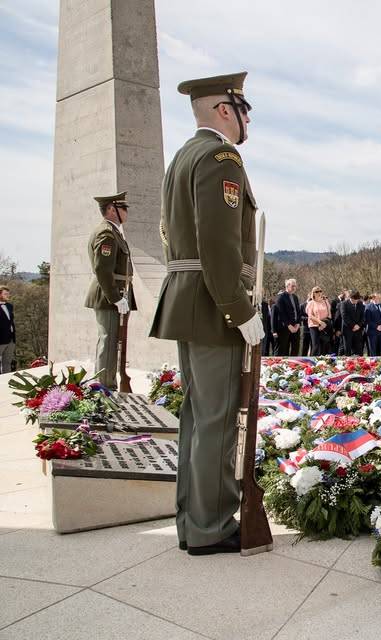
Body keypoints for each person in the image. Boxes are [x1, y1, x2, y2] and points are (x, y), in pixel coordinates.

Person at [149, 71, 265, 555]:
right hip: (214, 304)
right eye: (243, 110)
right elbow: (218, 245)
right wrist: (240, 309)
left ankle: (192, 521)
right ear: (224, 110)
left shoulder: (183, 156)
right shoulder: (221, 158)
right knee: (217, 419)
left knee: (198, 418)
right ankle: (212, 526)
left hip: (189, 299)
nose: (247, 120)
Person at [86, 192, 137, 390]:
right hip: (109, 295)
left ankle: (108, 383)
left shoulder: (113, 232)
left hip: (116, 293)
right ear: (111, 210)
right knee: (108, 341)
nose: (126, 212)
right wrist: (115, 297)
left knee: (113, 340)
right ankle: (104, 388)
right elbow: (102, 269)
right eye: (123, 208)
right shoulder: (106, 234)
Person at [273, 279, 300, 356]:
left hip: (295, 327)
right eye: (292, 286)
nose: (294, 288)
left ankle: (293, 363)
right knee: (282, 349)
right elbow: (281, 314)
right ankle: (278, 363)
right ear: (287, 286)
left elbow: (298, 311)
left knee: (295, 348)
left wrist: (298, 323)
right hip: (284, 327)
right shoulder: (281, 297)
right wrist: (289, 325)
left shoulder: (295, 297)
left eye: (295, 286)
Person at [306, 287, 332, 356]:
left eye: (320, 291)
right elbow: (310, 315)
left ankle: (323, 361)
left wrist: (324, 323)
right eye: (317, 292)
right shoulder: (311, 303)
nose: (319, 293)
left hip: (325, 325)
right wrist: (320, 322)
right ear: (313, 293)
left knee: (324, 345)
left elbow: (329, 314)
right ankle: (312, 361)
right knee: (316, 346)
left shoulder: (326, 302)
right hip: (314, 326)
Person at [340, 290, 365, 356]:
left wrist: (358, 325)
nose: (355, 301)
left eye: (357, 300)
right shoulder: (344, 304)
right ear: (350, 297)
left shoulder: (360, 304)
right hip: (347, 330)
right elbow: (344, 316)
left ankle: (359, 362)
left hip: (358, 330)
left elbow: (362, 316)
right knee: (347, 349)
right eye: (353, 300)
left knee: (359, 350)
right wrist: (353, 326)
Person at [0, 285, 14, 373]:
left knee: (7, 363)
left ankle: (7, 380)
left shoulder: (9, 306)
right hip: (1, 339)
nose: (8, 295)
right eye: (5, 294)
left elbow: (11, 321)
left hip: (11, 339)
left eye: (8, 294)